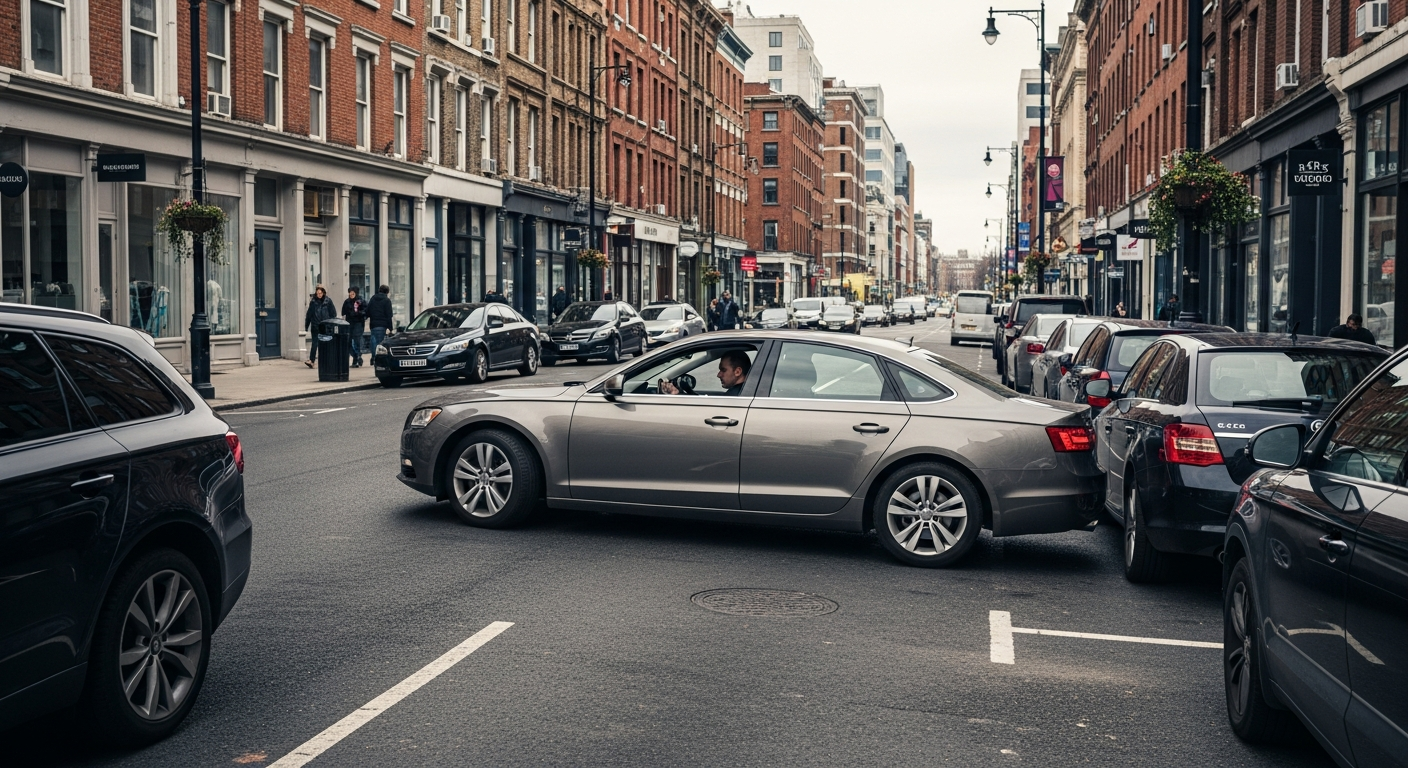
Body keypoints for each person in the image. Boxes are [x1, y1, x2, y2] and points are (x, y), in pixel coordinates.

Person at [659, 350, 751, 396]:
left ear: (737, 371)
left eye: (723, 370)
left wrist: (677, 395)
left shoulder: (735, 397)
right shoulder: (743, 392)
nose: (718, 375)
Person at [303, 284, 336, 368]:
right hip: (315, 325)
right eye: (317, 293)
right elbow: (309, 314)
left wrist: (331, 324)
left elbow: (333, 313)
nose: (319, 295)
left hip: (325, 326)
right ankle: (311, 360)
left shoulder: (328, 301)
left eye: (320, 293)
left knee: (326, 343)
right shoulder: (313, 302)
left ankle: (326, 360)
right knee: (315, 343)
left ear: (323, 293)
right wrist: (306, 326)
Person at [342, 287, 368, 367]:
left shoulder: (361, 301)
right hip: (349, 323)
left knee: (357, 340)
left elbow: (366, 312)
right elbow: (343, 312)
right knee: (348, 342)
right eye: (350, 293)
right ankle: (355, 356)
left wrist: (358, 313)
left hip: (358, 323)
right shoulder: (347, 302)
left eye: (353, 293)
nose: (351, 295)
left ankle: (358, 356)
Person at [367, 284, 394, 359]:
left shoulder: (373, 299)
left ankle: (373, 357)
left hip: (373, 324)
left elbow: (368, 311)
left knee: (373, 340)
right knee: (380, 342)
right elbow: (389, 315)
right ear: (387, 292)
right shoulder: (387, 301)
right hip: (382, 324)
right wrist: (390, 328)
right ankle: (378, 357)